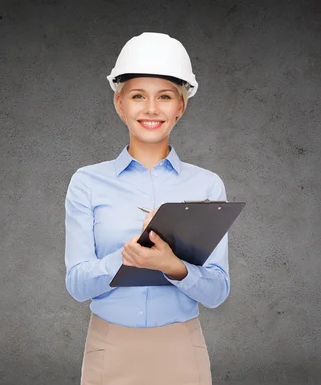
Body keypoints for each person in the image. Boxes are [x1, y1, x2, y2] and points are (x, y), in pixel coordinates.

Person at [64, 32, 230, 385]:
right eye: (138, 96)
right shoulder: (87, 182)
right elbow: (77, 285)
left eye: (165, 97)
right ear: (120, 104)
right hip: (109, 348)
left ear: (180, 107)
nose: (151, 109)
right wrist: (130, 255)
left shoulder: (207, 185)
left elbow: (217, 292)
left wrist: (174, 267)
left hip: (182, 349)